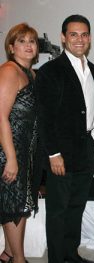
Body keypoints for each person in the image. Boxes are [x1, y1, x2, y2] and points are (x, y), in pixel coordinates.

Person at [35, 15, 94, 263]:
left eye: (84, 34)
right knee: (58, 212)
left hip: (86, 149)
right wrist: (53, 154)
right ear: (63, 37)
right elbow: (45, 117)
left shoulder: (93, 70)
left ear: (90, 38)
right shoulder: (50, 71)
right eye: (73, 34)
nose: (79, 39)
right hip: (61, 154)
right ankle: (56, 258)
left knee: (76, 208)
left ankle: (70, 254)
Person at [0, 23, 38, 263]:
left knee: (19, 204)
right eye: (22, 41)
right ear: (11, 47)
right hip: (7, 151)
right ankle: (19, 260)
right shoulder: (8, 71)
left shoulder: (31, 73)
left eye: (32, 41)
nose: (28, 45)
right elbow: (0, 116)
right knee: (14, 206)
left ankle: (8, 254)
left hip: (24, 150)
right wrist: (11, 158)